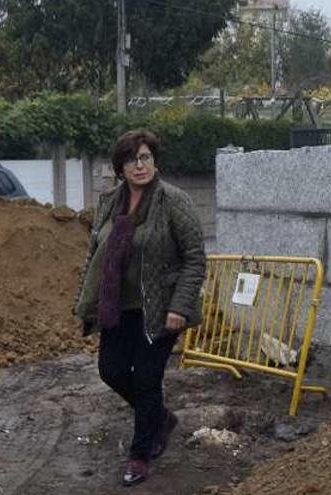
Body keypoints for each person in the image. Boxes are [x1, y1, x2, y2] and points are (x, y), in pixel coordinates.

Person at [74, 129, 207, 486]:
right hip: (119, 306)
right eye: (132, 159)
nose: (140, 165)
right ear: (121, 167)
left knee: (147, 379)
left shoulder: (173, 201)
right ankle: (160, 419)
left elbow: (195, 258)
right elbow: (95, 254)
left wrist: (179, 306)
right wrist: (89, 301)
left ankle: (140, 454)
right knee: (111, 371)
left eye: (145, 157)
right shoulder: (110, 202)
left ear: (155, 161)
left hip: (161, 309)